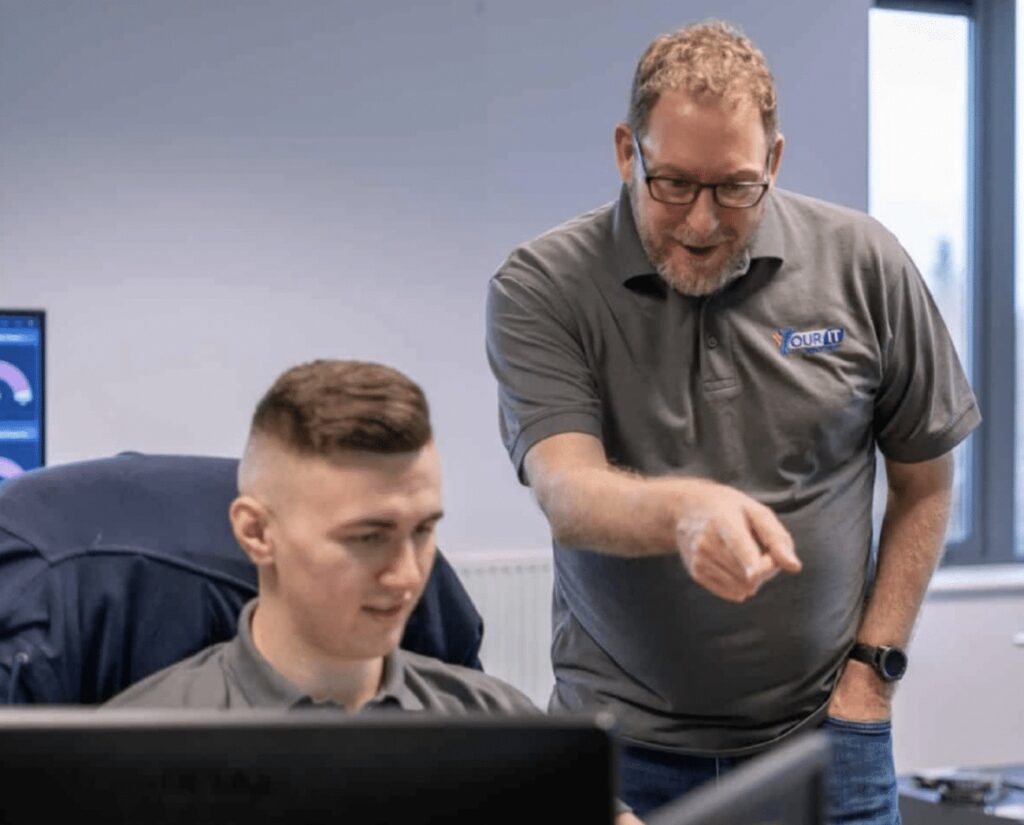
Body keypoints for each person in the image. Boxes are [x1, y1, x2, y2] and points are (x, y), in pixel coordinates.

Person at [485, 20, 979, 824]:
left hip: (827, 734)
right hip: (618, 749)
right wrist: (686, 510)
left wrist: (872, 673)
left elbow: (926, 480)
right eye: (672, 183)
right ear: (626, 152)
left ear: (775, 162)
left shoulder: (864, 264)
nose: (703, 222)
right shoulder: (545, 285)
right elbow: (565, 486)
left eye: (735, 187)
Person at [106, 359, 640, 825]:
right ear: (257, 533)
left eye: (424, 530)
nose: (408, 576)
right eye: (368, 538)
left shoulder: (501, 726)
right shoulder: (131, 752)